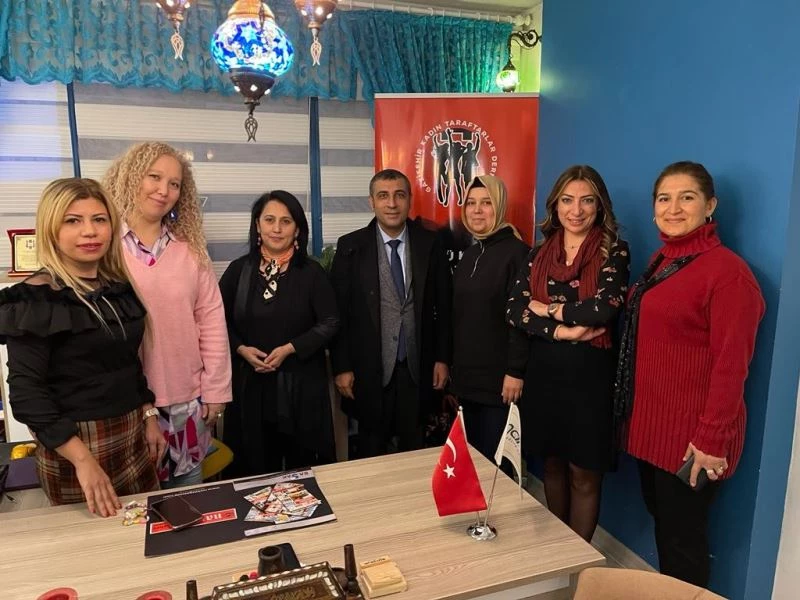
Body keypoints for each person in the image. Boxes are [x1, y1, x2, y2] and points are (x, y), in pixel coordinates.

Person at [614, 161, 764, 587]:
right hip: (653, 430)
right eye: (664, 198)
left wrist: (712, 440)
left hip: (692, 442)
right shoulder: (664, 259)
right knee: (667, 530)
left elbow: (731, 364)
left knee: (683, 547)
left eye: (687, 197)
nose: (674, 208)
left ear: (710, 206)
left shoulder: (729, 274)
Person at [0, 178, 164, 516]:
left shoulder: (118, 287)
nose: (89, 231)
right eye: (73, 221)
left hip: (131, 436)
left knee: (145, 533)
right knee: (96, 544)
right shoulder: (37, 299)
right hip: (74, 446)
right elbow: (27, 394)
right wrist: (83, 460)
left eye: (99, 219)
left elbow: (129, 363)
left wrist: (149, 415)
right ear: (52, 229)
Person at [507, 165, 630, 542]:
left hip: (590, 377)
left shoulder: (613, 250)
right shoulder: (539, 252)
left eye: (586, 201)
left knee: (584, 473)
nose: (576, 210)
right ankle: (558, 549)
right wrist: (563, 329)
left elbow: (604, 308)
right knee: (552, 465)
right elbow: (515, 308)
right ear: (555, 205)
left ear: (599, 206)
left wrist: (550, 309)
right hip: (545, 373)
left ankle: (579, 562)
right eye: (567, 200)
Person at [103, 142, 232, 489]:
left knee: (189, 499)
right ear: (132, 177)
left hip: (186, 401)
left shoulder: (190, 249)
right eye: (154, 177)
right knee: (134, 505)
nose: (164, 190)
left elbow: (211, 321)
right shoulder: (104, 246)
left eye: (174, 184)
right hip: (125, 404)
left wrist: (216, 390)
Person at [329, 169, 452, 458]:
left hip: (417, 367)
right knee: (372, 452)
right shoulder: (350, 247)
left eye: (399, 195)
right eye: (383, 196)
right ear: (371, 202)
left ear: (410, 200)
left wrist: (443, 358)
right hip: (368, 370)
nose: (392, 203)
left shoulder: (430, 243)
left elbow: (445, 306)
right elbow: (338, 314)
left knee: (414, 451)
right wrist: (342, 367)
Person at [219, 191, 339, 476]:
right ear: (257, 225)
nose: (276, 228)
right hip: (250, 387)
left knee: (304, 474)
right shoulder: (239, 271)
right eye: (269, 220)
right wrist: (240, 349)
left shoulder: (311, 272)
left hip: (301, 388)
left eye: (286, 221)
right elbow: (217, 322)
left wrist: (290, 348)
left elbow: (331, 321)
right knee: (252, 473)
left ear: (297, 229)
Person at [450, 175, 530, 464]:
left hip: (501, 384)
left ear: (500, 206)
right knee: (472, 465)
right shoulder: (471, 254)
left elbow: (522, 319)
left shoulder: (518, 254)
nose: (477, 210)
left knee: (497, 470)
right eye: (471, 203)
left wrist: (515, 371)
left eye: (486, 203)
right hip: (468, 381)